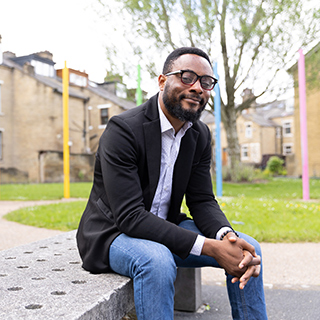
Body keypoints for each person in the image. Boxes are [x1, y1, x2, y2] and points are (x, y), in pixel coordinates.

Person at [76, 47, 268, 320]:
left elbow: (201, 200)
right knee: (157, 262)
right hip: (114, 233)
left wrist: (225, 236)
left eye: (206, 82)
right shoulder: (123, 130)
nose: (198, 88)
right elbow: (130, 216)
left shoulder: (199, 135)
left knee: (248, 248)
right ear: (163, 81)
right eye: (187, 77)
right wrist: (211, 247)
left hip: (165, 225)